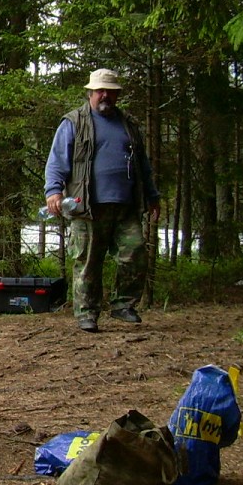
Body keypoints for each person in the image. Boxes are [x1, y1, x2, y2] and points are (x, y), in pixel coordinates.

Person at [44, 68, 160, 333]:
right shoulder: (74, 122)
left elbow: (143, 166)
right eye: (100, 91)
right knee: (88, 261)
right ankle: (87, 313)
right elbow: (57, 160)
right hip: (87, 205)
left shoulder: (129, 125)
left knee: (135, 252)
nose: (105, 95)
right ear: (90, 93)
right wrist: (53, 191)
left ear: (117, 94)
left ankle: (123, 305)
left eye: (110, 91)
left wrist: (152, 196)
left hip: (126, 205)